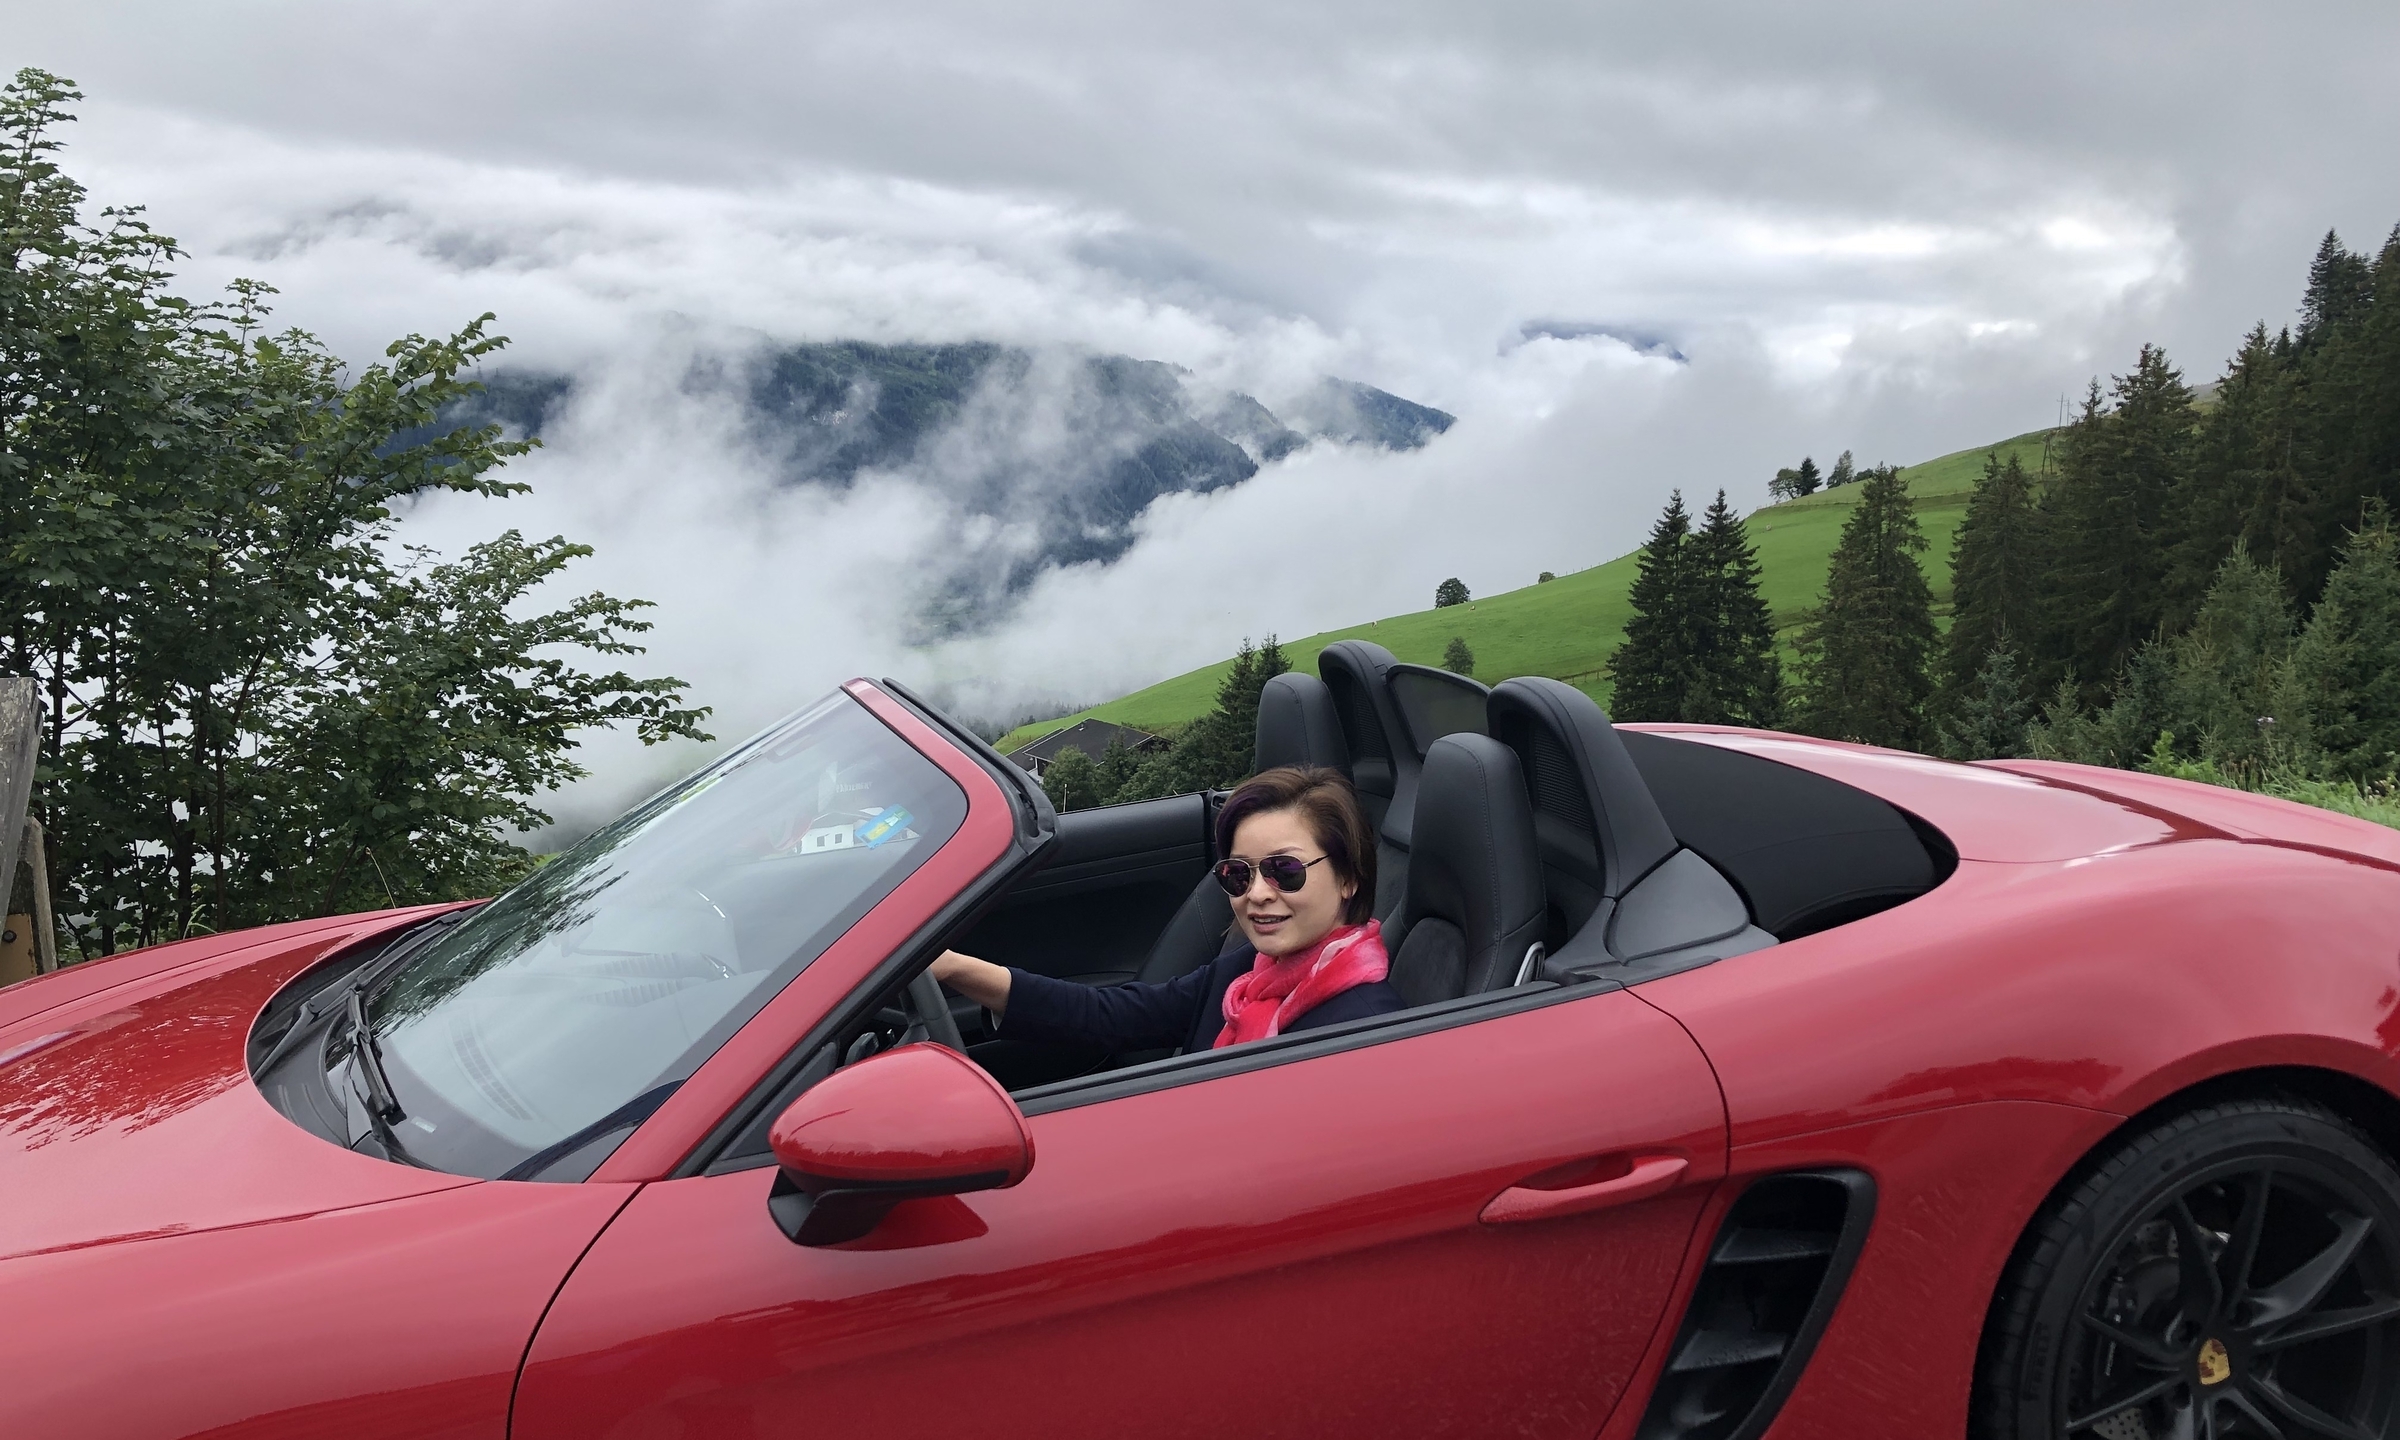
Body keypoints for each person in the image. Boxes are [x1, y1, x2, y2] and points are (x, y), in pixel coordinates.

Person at [931, 766, 1406, 1054]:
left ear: (1349, 877)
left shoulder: (1362, 1033)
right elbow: (1114, 1017)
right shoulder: (1252, 972)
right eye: (1237, 874)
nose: (1257, 894)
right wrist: (950, 966)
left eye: (1284, 870)